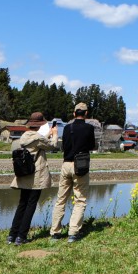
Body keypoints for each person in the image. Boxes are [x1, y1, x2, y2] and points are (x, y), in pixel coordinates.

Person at [50, 102, 97, 242]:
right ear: (86, 114)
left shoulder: (67, 127)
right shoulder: (89, 128)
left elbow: (64, 145)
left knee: (61, 199)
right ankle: (73, 231)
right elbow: (91, 145)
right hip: (80, 166)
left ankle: (55, 231)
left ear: (74, 113)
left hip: (66, 164)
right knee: (80, 199)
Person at [8, 112, 57, 245]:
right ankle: (22, 236)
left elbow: (38, 142)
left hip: (24, 174)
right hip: (36, 175)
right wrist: (55, 134)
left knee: (22, 204)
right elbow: (52, 145)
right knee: (31, 205)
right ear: (40, 125)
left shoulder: (25, 136)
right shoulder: (38, 138)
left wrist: (47, 135)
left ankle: (12, 235)